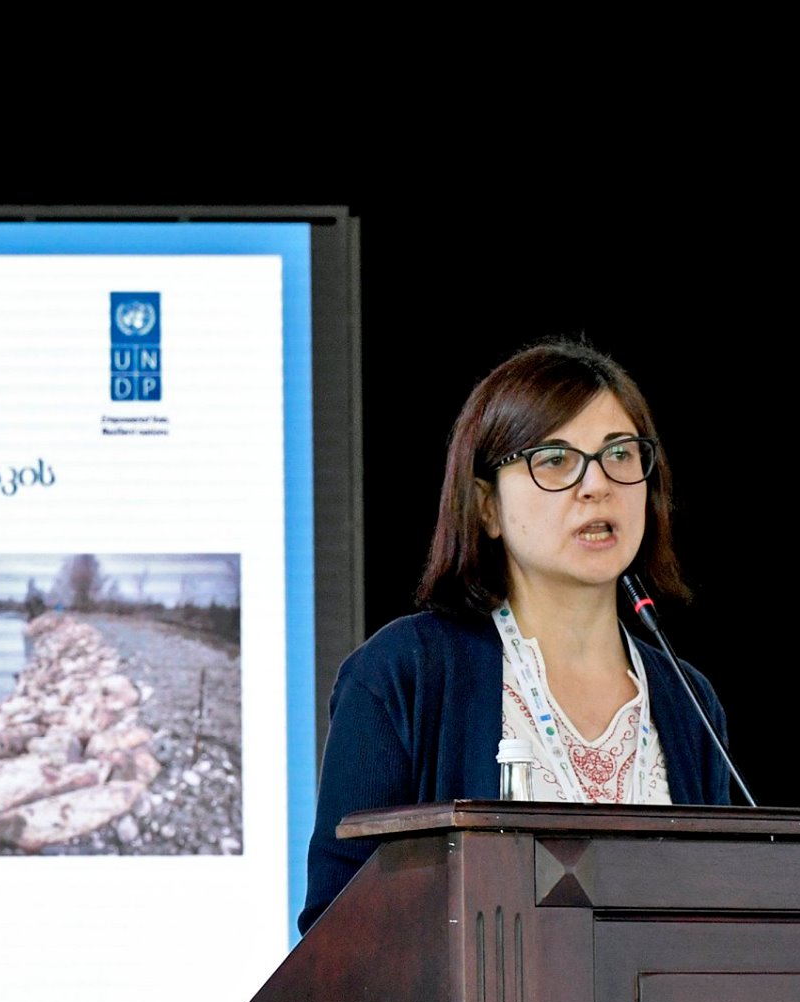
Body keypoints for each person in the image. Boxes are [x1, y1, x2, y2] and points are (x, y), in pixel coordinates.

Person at [300, 340, 735, 934]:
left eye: (620, 454)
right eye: (554, 459)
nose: (596, 484)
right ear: (486, 507)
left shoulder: (689, 702)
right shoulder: (405, 675)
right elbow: (338, 935)